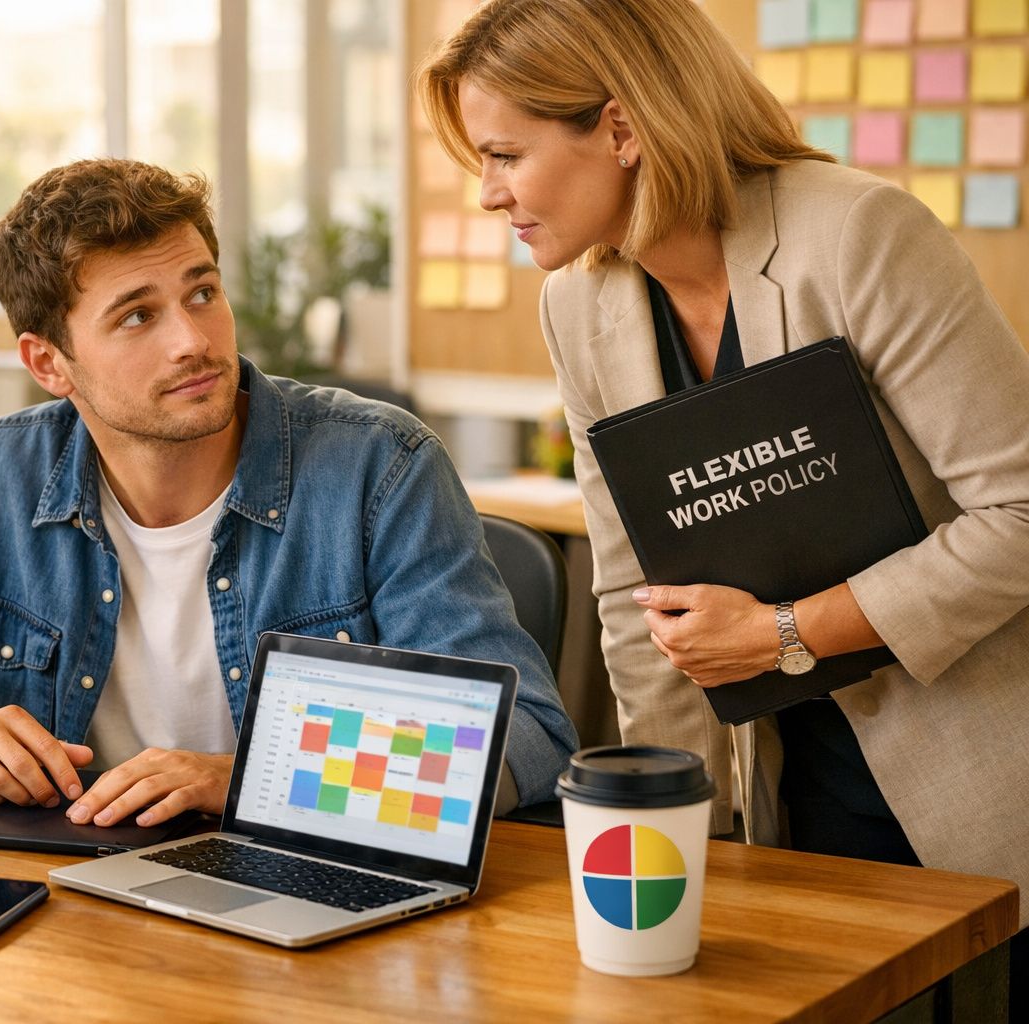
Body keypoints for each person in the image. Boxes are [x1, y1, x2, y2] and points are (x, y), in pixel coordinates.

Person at [418, 0, 1029, 998]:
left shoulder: (856, 235)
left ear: (620, 129)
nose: (488, 194)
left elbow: (1021, 513)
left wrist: (788, 631)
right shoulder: (580, 302)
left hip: (977, 775)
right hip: (793, 798)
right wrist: (671, 849)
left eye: (503, 155)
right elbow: (633, 597)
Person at [0, 158, 578, 829]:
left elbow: (529, 738)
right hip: (62, 893)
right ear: (48, 363)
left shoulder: (379, 468)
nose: (193, 340)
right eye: (137, 316)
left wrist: (253, 779)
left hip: (304, 879)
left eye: (202, 292)